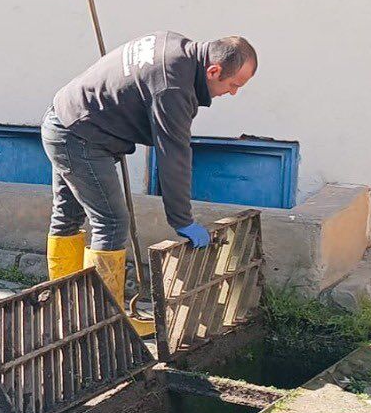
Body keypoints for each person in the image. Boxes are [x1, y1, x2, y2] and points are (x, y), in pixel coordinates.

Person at [42, 33, 257, 325]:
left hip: (68, 118)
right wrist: (182, 219)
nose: (233, 93)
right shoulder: (173, 86)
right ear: (214, 71)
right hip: (79, 136)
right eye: (234, 85)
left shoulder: (176, 48)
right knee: (112, 221)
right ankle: (106, 323)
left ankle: (67, 315)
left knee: (67, 217)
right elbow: (174, 154)